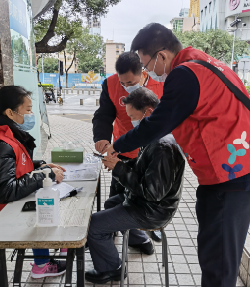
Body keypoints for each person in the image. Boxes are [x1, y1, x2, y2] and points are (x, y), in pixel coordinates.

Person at [106, 23, 250, 287]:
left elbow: (157, 123)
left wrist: (118, 145)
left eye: (145, 64)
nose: (147, 71)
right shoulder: (204, 63)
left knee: (218, 265)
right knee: (216, 259)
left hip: (228, 182)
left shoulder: (184, 74)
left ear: (161, 55)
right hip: (232, 174)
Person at [85, 87, 185, 284]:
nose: (131, 122)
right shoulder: (155, 135)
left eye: (133, 116)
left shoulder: (163, 146)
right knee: (111, 203)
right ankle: (139, 240)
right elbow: (144, 168)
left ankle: (112, 269)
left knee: (94, 225)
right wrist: (121, 164)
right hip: (145, 203)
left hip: (153, 209)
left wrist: (120, 169)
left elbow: (152, 192)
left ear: (148, 112)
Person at [0, 86, 67, 279]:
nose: (31, 114)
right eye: (28, 109)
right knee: (47, 206)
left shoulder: (3, 133)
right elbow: (4, 190)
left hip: (6, 208)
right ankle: (50, 258)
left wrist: (41, 165)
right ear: (10, 113)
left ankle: (44, 261)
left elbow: (15, 165)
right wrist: (44, 174)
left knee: (45, 202)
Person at [93, 52, 164, 242]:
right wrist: (102, 139)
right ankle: (111, 229)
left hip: (151, 152)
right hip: (120, 149)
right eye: (123, 83)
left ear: (142, 72)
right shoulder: (110, 84)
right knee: (118, 194)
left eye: (131, 83)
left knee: (144, 195)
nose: (126, 87)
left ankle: (141, 230)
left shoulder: (162, 84)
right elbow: (103, 115)